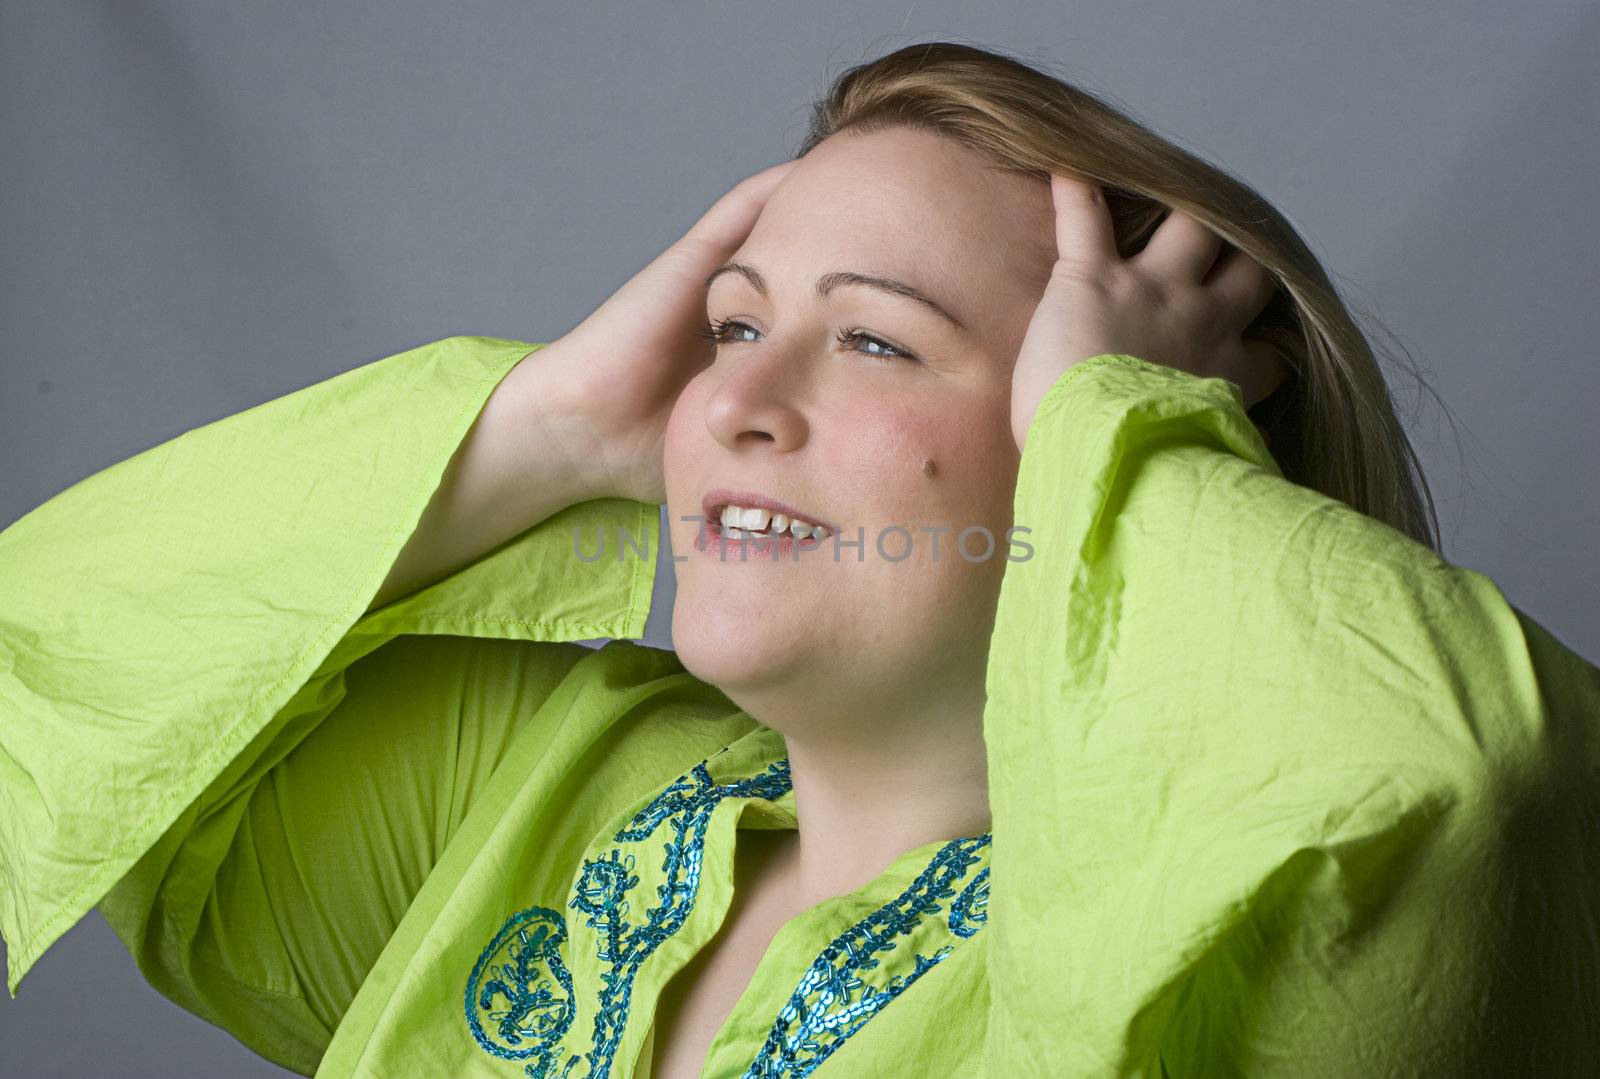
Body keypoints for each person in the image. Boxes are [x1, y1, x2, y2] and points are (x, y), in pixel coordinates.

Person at [2, 41, 1597, 1079]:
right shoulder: (546, 785)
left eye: (880, 345)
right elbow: (66, 687)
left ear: (1114, 441)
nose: (738, 403)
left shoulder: (1230, 913)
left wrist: (1119, 410)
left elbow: (1455, 782)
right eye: (735, 327)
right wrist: (545, 425)